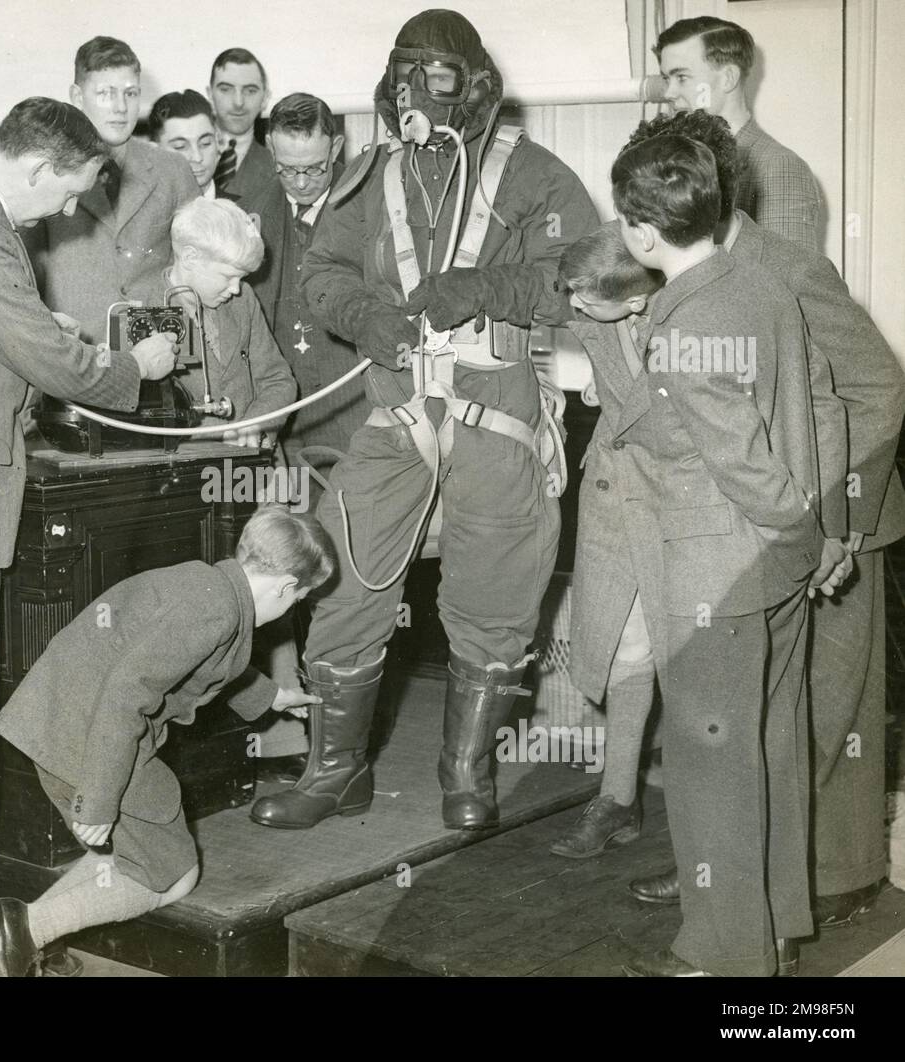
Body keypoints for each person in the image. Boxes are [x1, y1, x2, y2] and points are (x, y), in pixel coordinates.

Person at [251, 9, 599, 832]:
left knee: (495, 598)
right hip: (395, 407)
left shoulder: (536, 175)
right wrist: (369, 318)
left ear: (473, 87)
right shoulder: (369, 178)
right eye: (404, 81)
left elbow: (581, 272)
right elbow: (324, 273)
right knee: (334, 573)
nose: (417, 98)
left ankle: (465, 773)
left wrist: (490, 288)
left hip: (499, 412)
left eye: (434, 80)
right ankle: (337, 770)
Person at [0, 97, 178, 971]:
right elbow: (34, 353)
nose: (69, 213)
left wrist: (53, 332)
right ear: (41, 169)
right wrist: (132, 366)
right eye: (72, 193)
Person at [614, 110, 905, 931]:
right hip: (783, 520)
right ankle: (748, 891)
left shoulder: (784, 267)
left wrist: (836, 523)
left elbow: (877, 388)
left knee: (828, 715)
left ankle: (835, 881)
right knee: (769, 724)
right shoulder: (705, 269)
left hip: (840, 508)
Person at [0, 505, 333, 976]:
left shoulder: (209, 584)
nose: (291, 608)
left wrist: (273, 697)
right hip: (91, 740)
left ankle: (26, 933)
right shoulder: (216, 612)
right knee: (172, 874)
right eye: (299, 598)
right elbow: (126, 697)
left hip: (59, 724)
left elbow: (207, 666)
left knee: (132, 853)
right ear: (287, 585)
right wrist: (100, 800)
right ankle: (28, 931)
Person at [538, 225, 664, 860]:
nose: (575, 309)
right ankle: (619, 797)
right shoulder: (606, 308)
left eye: (588, 302)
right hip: (615, 495)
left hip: (681, 509)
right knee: (622, 646)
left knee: (695, 663)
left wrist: (612, 387)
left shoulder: (694, 323)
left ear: (636, 299)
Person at [35, 36, 198, 345]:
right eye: (106, 93)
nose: (121, 107)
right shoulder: (49, 171)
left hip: (162, 352)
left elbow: (198, 267)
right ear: (77, 96)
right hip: (77, 360)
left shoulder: (173, 169)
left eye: (130, 93)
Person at [249, 92, 370, 485]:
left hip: (355, 411)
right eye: (287, 169)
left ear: (336, 147)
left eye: (316, 169)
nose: (301, 182)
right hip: (277, 421)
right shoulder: (248, 212)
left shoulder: (374, 208)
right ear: (270, 147)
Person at [656, 15, 820, 251]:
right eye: (666, 78)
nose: (669, 92)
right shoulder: (683, 160)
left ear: (728, 78)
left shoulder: (778, 166)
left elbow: (788, 282)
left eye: (682, 77)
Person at [156, 197, 296, 449]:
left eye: (241, 278)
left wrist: (255, 424)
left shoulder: (243, 300)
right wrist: (219, 433)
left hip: (254, 465)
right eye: (229, 276)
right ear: (190, 257)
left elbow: (278, 379)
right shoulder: (142, 310)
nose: (236, 289)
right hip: (183, 470)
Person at [208, 47, 275, 204]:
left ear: (265, 98)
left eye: (250, 91)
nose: (238, 102)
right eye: (226, 89)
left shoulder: (277, 168)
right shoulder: (184, 157)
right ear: (210, 94)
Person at [148, 90, 220, 198]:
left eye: (205, 143)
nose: (197, 157)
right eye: (180, 147)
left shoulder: (244, 211)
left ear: (218, 142)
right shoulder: (140, 213)